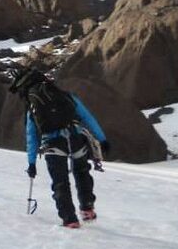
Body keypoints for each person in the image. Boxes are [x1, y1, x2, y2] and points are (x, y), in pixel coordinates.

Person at [10, 67, 109, 228]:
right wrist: (102, 139)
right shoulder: (65, 96)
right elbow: (87, 117)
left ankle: (70, 219)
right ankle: (87, 208)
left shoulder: (32, 106)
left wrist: (32, 163)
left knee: (60, 182)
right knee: (82, 172)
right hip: (75, 137)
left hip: (53, 144)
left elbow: (31, 137)